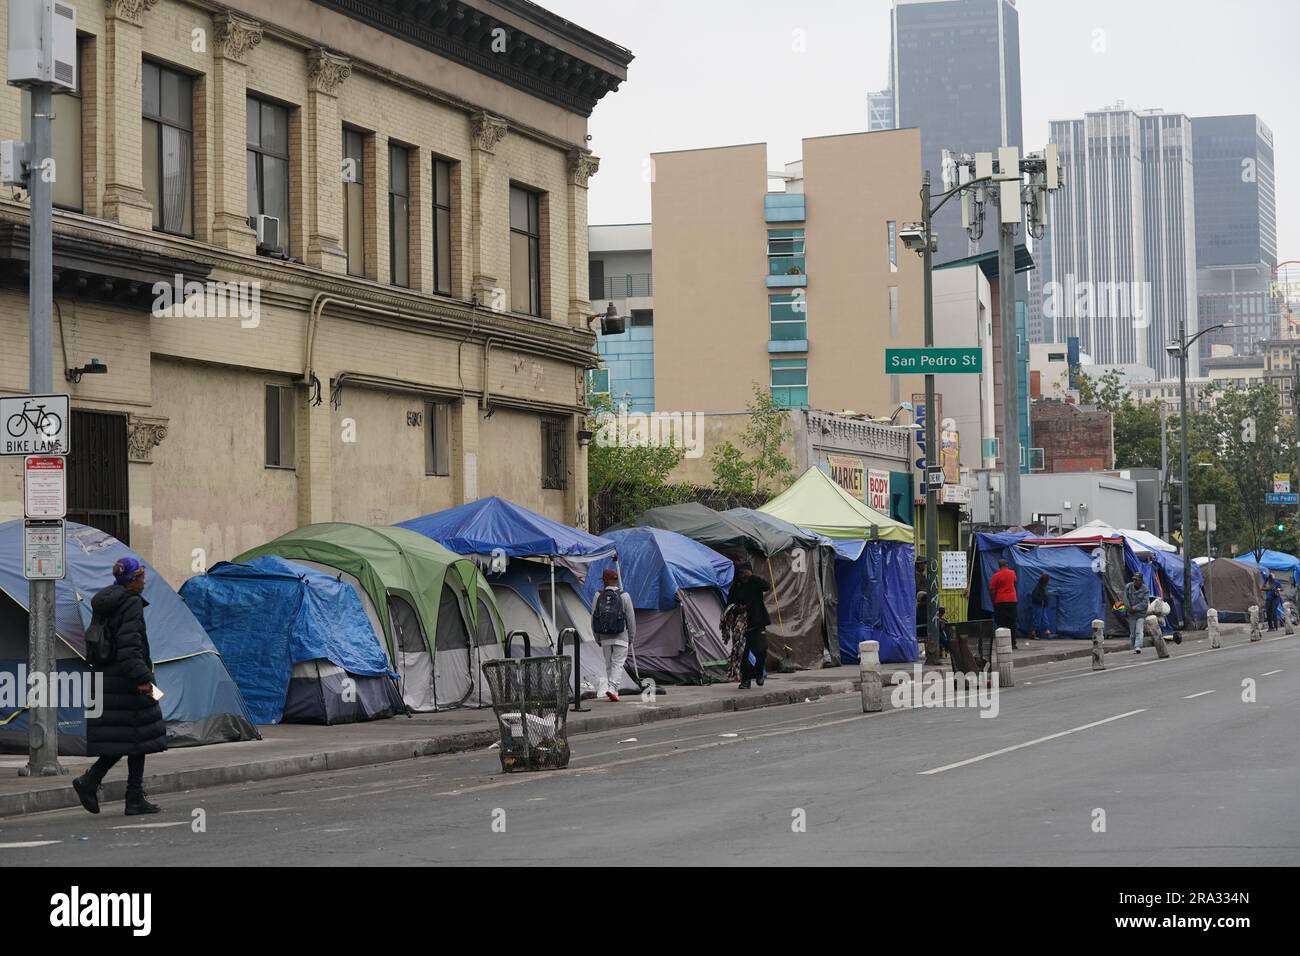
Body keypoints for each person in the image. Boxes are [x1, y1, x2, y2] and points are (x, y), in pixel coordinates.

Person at [71, 557, 165, 815]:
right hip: (128, 680)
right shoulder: (131, 603)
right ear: (131, 580)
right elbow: (129, 647)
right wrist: (143, 679)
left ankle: (108, 787)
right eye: (141, 575)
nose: (144, 580)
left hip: (108, 678)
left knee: (132, 738)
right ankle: (123, 794)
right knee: (138, 736)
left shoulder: (106, 602)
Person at [591, 567, 636, 702]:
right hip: (621, 636)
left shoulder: (598, 596)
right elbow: (631, 619)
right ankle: (612, 688)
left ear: (604, 581)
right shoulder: (624, 595)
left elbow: (594, 618)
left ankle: (614, 691)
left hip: (604, 636)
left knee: (609, 664)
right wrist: (631, 637)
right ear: (616, 580)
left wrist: (597, 637)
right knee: (618, 663)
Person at [727, 561, 771, 690]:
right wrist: (737, 609)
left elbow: (766, 586)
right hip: (741, 626)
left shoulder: (755, 583)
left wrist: (752, 577)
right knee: (742, 655)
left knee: (761, 650)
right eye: (740, 573)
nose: (743, 576)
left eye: (745, 573)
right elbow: (729, 604)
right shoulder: (735, 586)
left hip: (757, 624)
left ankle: (759, 672)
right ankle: (745, 680)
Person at [988, 559, 1020, 649]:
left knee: (1001, 622)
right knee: (1012, 622)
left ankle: (1003, 643)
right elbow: (1014, 582)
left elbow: (992, 589)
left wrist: (994, 599)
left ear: (999, 566)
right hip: (1012, 600)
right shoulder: (1012, 573)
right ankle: (1013, 643)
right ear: (1006, 564)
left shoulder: (996, 576)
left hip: (1000, 600)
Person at [1124, 572, 1151, 654]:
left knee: (1139, 630)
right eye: (1134, 580)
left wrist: (1136, 607)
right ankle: (1134, 645)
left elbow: (1145, 602)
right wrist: (1129, 608)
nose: (1135, 581)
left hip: (1141, 614)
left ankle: (1138, 646)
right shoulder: (1128, 587)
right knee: (1132, 633)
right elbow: (1125, 598)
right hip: (1131, 614)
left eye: (1137, 580)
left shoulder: (1145, 589)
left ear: (1141, 581)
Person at [1029, 573, 1052, 640]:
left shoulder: (1042, 586)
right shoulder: (1039, 587)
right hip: (1038, 605)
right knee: (1038, 619)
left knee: (1044, 619)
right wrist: (1041, 601)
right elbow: (1034, 596)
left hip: (1042, 605)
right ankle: (1033, 633)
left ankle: (1047, 631)